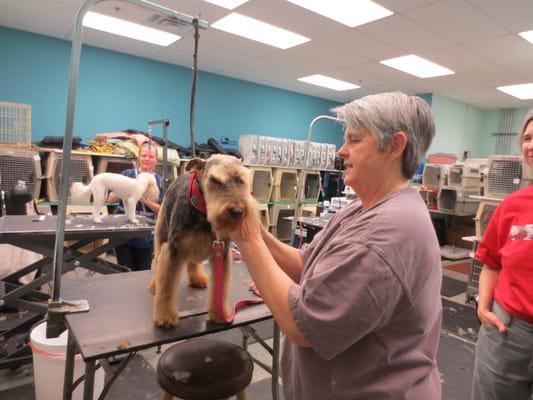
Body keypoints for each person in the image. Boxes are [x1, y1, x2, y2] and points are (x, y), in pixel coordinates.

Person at [230, 92, 442, 399]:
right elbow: (307, 264)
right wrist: (258, 230)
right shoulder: (364, 206)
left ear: (395, 146)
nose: (342, 151)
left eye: (355, 140)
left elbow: (302, 326)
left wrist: (246, 238)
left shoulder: (386, 233)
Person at [471, 109, 533, 400]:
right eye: (528, 138)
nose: (530, 145)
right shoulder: (512, 205)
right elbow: (492, 263)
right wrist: (484, 306)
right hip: (509, 330)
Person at [110, 141, 163, 271]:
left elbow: (163, 210)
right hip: (122, 231)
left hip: (145, 235)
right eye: (144, 155)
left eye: (151, 156)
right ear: (139, 157)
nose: (147, 159)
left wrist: (147, 202)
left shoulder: (160, 181)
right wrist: (129, 187)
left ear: (156, 159)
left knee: (142, 272)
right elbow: (110, 198)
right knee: (124, 271)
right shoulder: (127, 174)